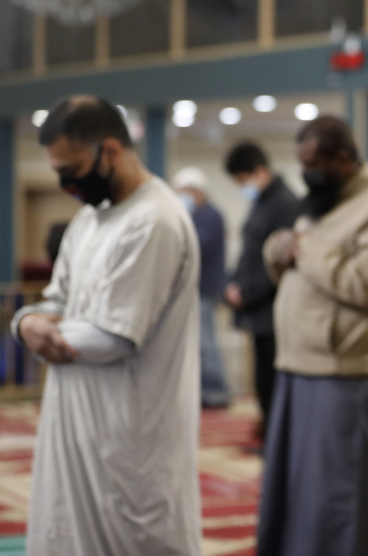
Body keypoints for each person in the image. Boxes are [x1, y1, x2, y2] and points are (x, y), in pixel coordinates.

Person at [11, 96, 202, 556]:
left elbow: (111, 337)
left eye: (72, 169)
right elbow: (54, 301)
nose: (66, 183)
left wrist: (40, 331)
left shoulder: (153, 220)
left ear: (110, 152)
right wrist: (26, 321)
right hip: (78, 431)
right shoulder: (87, 221)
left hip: (130, 442)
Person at [258, 116, 368, 556]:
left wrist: (303, 248)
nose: (306, 173)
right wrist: (281, 247)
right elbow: (286, 258)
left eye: (313, 163)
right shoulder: (323, 202)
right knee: (299, 491)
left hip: (345, 373)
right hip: (298, 365)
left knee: (341, 496)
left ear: (342, 159)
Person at [224, 142, 299, 439]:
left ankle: (278, 432)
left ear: (260, 171)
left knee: (274, 377)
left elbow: (279, 263)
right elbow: (251, 252)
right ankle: (269, 426)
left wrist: (249, 292)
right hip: (257, 310)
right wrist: (234, 284)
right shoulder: (262, 203)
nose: (243, 187)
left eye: (243, 180)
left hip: (273, 310)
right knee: (262, 377)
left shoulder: (284, 203)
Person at [173, 166, 230, 408]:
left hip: (205, 289)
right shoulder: (193, 216)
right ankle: (204, 391)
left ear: (197, 191)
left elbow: (196, 246)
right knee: (196, 344)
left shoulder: (211, 216)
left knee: (206, 344)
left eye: (185, 192)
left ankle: (216, 392)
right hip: (193, 289)